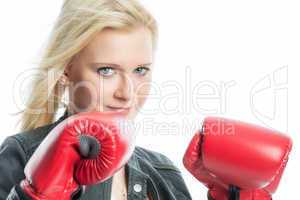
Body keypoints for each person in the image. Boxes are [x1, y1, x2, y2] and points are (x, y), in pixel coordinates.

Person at [0, 0, 192, 199]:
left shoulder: (163, 172)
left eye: (140, 70)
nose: (126, 93)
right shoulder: (22, 154)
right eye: (107, 71)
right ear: (66, 69)